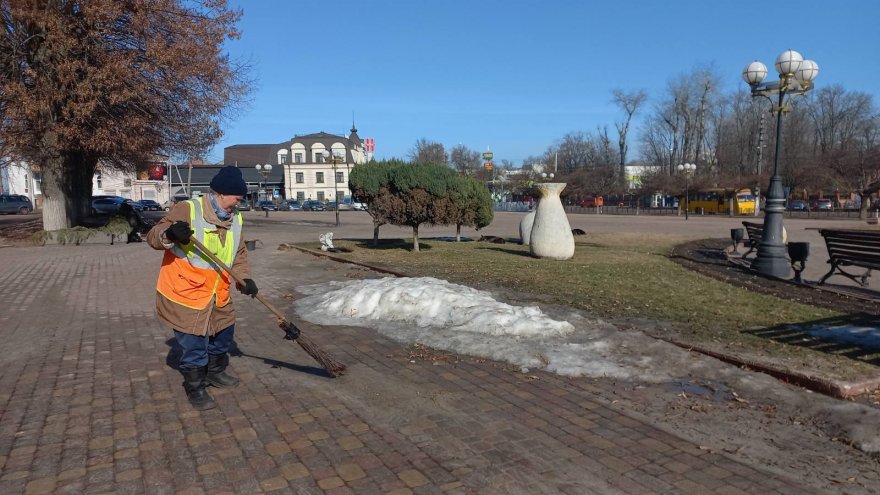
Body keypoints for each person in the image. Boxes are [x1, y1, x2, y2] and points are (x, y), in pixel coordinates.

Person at [146, 166, 258, 410]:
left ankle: (215, 373)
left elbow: (238, 253)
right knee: (194, 344)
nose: (240, 201)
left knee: (224, 334)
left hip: (219, 291)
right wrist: (171, 233)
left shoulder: (235, 217)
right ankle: (195, 388)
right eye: (237, 196)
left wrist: (245, 278)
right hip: (186, 291)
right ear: (220, 194)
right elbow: (153, 236)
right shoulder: (188, 209)